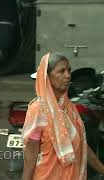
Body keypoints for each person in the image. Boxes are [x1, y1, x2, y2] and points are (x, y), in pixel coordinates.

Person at [21, 52, 104, 180]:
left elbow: (81, 145)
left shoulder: (70, 108)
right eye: (61, 71)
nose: (68, 76)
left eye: (69, 71)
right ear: (47, 77)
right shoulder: (38, 109)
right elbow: (31, 152)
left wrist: (102, 169)